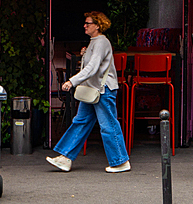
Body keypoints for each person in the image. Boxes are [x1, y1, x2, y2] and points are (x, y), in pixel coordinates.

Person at [46, 11, 131, 174]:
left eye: (88, 23)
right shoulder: (95, 42)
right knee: (82, 121)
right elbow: (92, 65)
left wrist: (72, 81)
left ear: (97, 26)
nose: (85, 25)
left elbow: (92, 68)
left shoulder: (101, 42)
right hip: (95, 89)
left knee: (107, 125)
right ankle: (65, 158)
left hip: (103, 89)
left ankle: (121, 161)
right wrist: (85, 53)